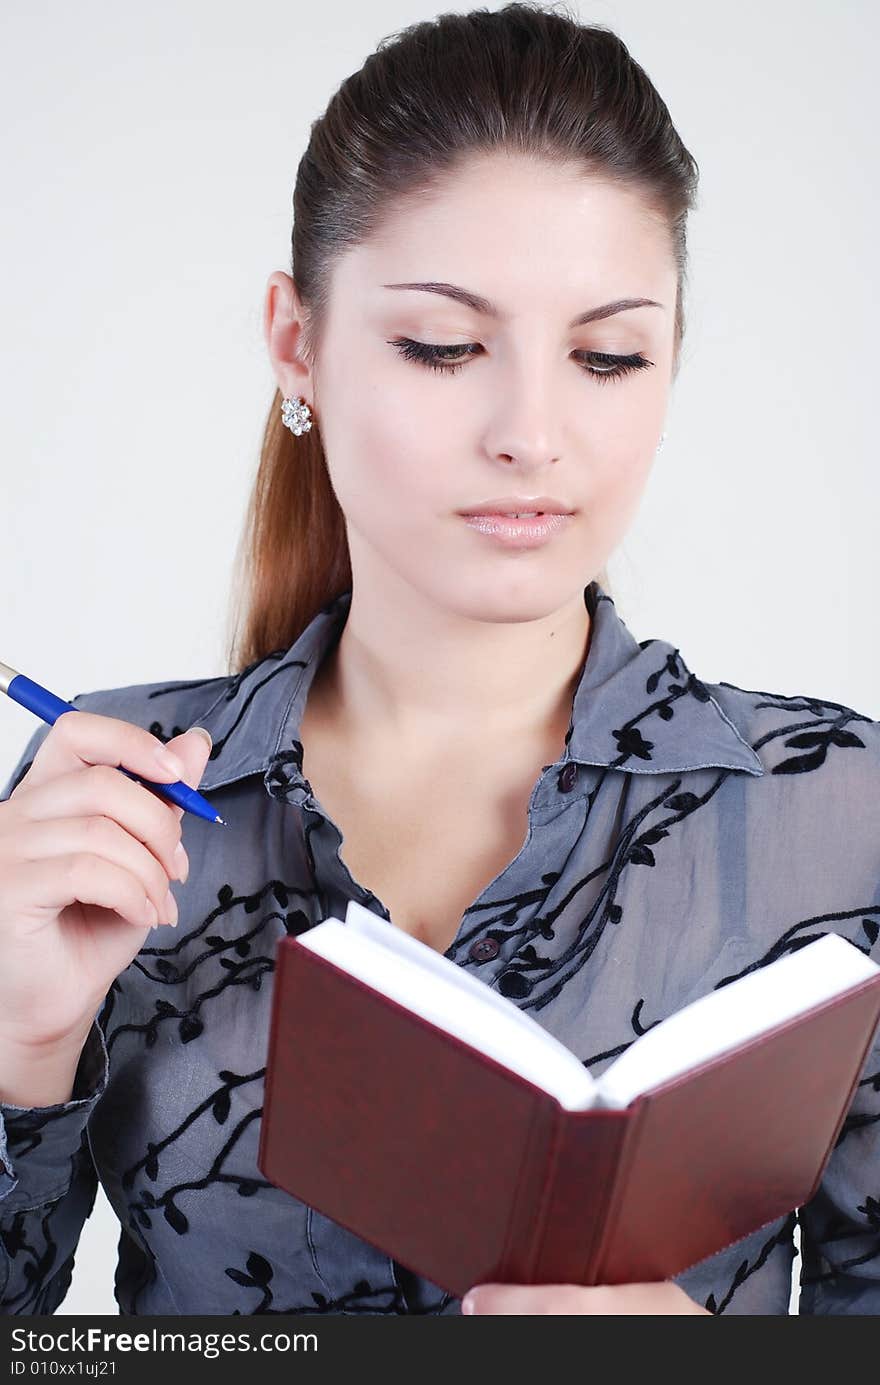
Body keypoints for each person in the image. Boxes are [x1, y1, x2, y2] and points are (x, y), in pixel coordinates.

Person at [0, 2, 877, 1318]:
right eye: (445, 345)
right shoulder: (113, 799)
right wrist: (20, 1043)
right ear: (298, 343)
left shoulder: (833, 807)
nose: (532, 432)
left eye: (607, 354)